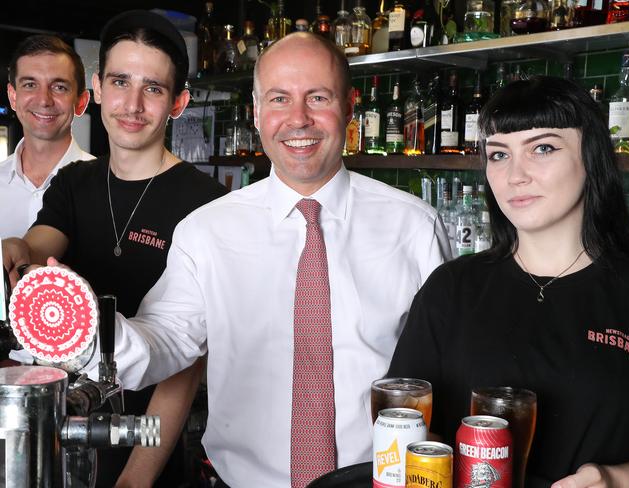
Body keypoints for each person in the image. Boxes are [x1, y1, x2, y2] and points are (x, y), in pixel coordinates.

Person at [53, 31, 453, 487]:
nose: (298, 119)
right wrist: (86, 326)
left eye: (317, 97)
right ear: (258, 112)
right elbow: (163, 345)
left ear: (349, 104)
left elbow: (448, 372)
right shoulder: (206, 231)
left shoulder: (415, 228)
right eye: (280, 99)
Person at [387, 76, 629, 488]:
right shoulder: (451, 289)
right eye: (498, 155)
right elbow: (410, 430)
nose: (515, 175)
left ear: (591, 157)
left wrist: (615, 480)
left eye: (542, 148)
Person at [2, 10, 227, 488]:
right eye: (121, 81)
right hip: (62, 427)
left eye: (153, 88)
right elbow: (41, 246)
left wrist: (137, 477)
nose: (132, 104)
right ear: (99, 87)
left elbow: (187, 361)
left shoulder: (206, 204)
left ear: (179, 103)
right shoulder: (75, 181)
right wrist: (17, 254)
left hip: (153, 437)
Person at [0, 35, 94, 239]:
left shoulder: (106, 188)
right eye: (30, 85)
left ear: (81, 101)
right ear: (13, 97)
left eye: (59, 87)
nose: (44, 100)